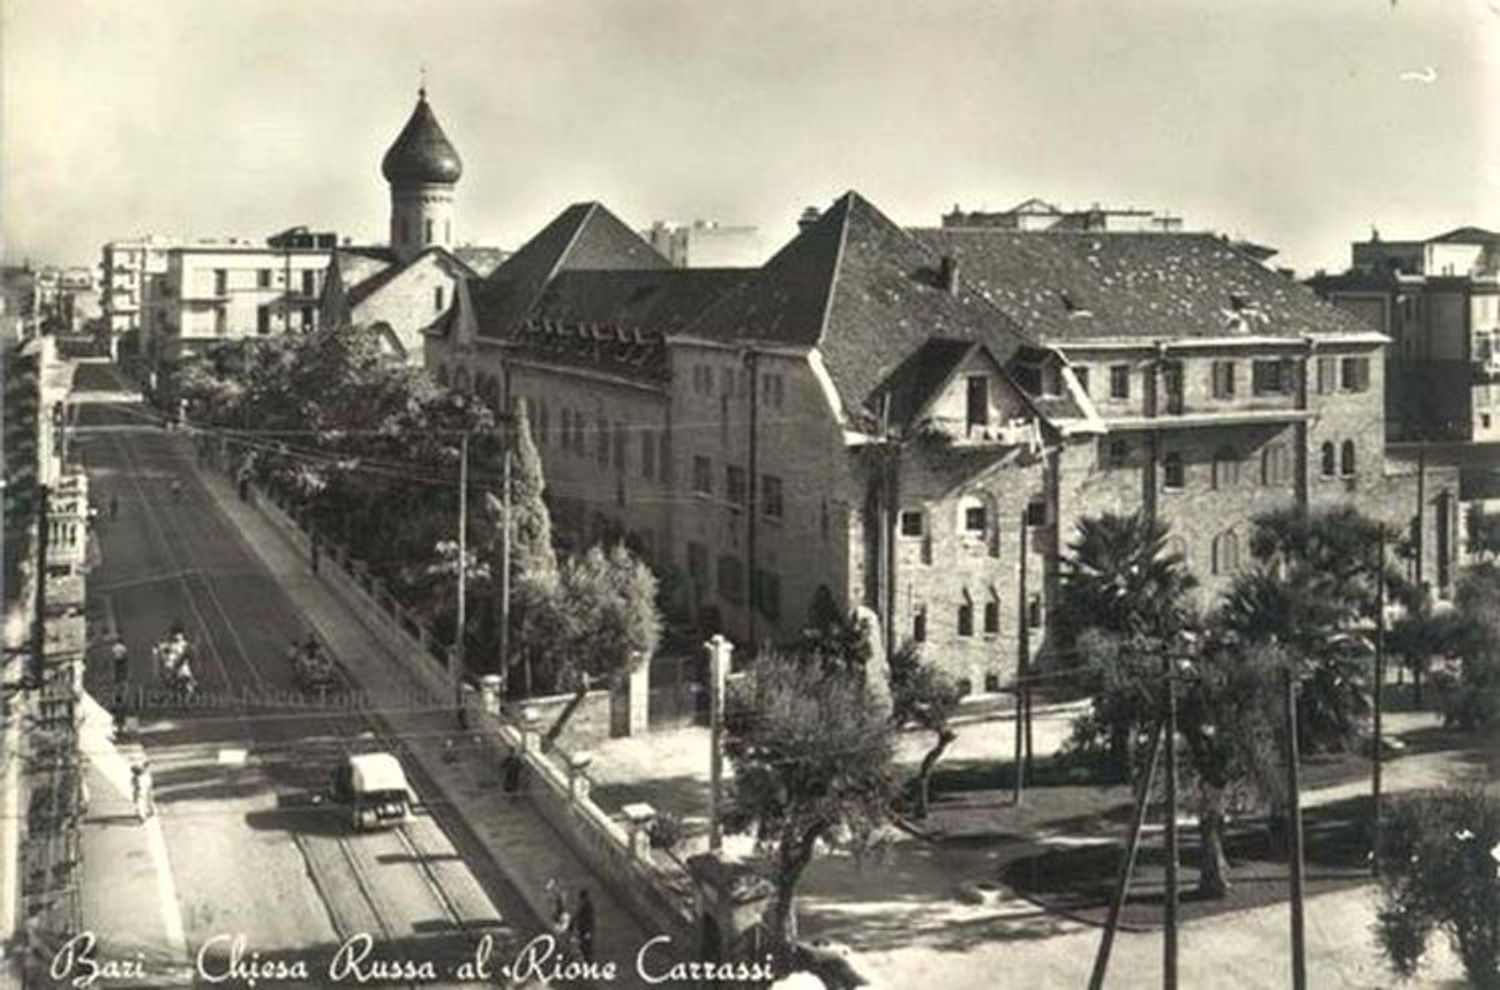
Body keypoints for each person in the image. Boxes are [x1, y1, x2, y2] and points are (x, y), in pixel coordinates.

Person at [571, 888, 595, 962]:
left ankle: (587, 959)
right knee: (585, 943)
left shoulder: (585, 905)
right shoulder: (587, 904)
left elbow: (578, 915)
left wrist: (572, 922)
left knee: (585, 943)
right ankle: (587, 958)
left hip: (585, 927)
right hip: (585, 927)